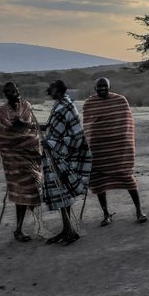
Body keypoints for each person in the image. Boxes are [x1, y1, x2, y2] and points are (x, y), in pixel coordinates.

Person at [82, 77, 147, 226]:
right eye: (99, 87)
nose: (102, 89)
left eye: (105, 86)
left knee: (127, 177)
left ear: (110, 87)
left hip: (118, 149)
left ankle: (139, 211)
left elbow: (127, 123)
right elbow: (88, 127)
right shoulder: (89, 104)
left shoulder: (120, 100)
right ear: (95, 88)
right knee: (98, 181)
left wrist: (123, 142)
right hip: (98, 149)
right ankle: (106, 214)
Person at [0, 81, 43, 242]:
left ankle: (36, 224)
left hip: (30, 155)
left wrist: (24, 130)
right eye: (11, 92)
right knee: (21, 192)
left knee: (34, 188)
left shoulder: (27, 106)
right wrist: (18, 136)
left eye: (16, 90)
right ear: (6, 94)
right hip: (13, 158)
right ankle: (18, 229)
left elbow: (33, 127)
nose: (15, 93)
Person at [41, 79, 92, 245]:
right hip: (53, 155)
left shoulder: (67, 106)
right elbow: (52, 128)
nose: (50, 91)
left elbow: (78, 135)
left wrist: (53, 143)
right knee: (60, 193)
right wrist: (29, 126)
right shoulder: (59, 105)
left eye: (52, 89)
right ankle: (66, 229)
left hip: (63, 156)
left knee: (63, 193)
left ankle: (70, 232)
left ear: (59, 90)